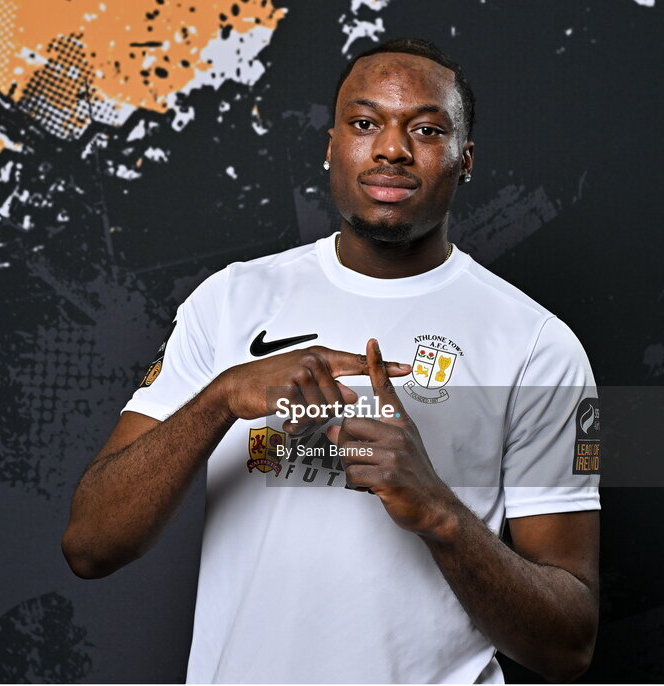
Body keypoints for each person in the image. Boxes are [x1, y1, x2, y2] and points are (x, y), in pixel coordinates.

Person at [62, 37, 600, 684]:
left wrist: (438, 513)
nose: (392, 148)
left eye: (427, 129)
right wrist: (221, 398)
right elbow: (91, 545)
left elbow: (570, 643)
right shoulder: (232, 301)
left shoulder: (535, 344)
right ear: (330, 144)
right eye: (365, 123)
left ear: (465, 160)